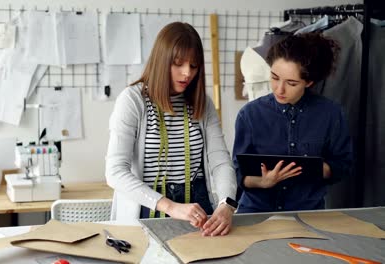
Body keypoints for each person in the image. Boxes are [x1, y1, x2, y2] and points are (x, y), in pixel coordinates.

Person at [105, 22, 237, 236]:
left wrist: (226, 204)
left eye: (193, 66)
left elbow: (220, 161)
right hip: (148, 205)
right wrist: (170, 206)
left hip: (198, 206)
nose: (187, 73)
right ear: (161, 61)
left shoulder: (203, 103)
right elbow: (115, 173)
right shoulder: (132, 100)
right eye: (178, 64)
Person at [232, 33, 353, 213]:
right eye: (274, 77)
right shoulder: (249, 115)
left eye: (291, 83)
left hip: (308, 214)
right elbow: (238, 173)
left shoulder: (331, 114)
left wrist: (319, 169)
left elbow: (343, 166)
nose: (279, 89)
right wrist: (263, 182)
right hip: (255, 213)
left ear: (309, 82)